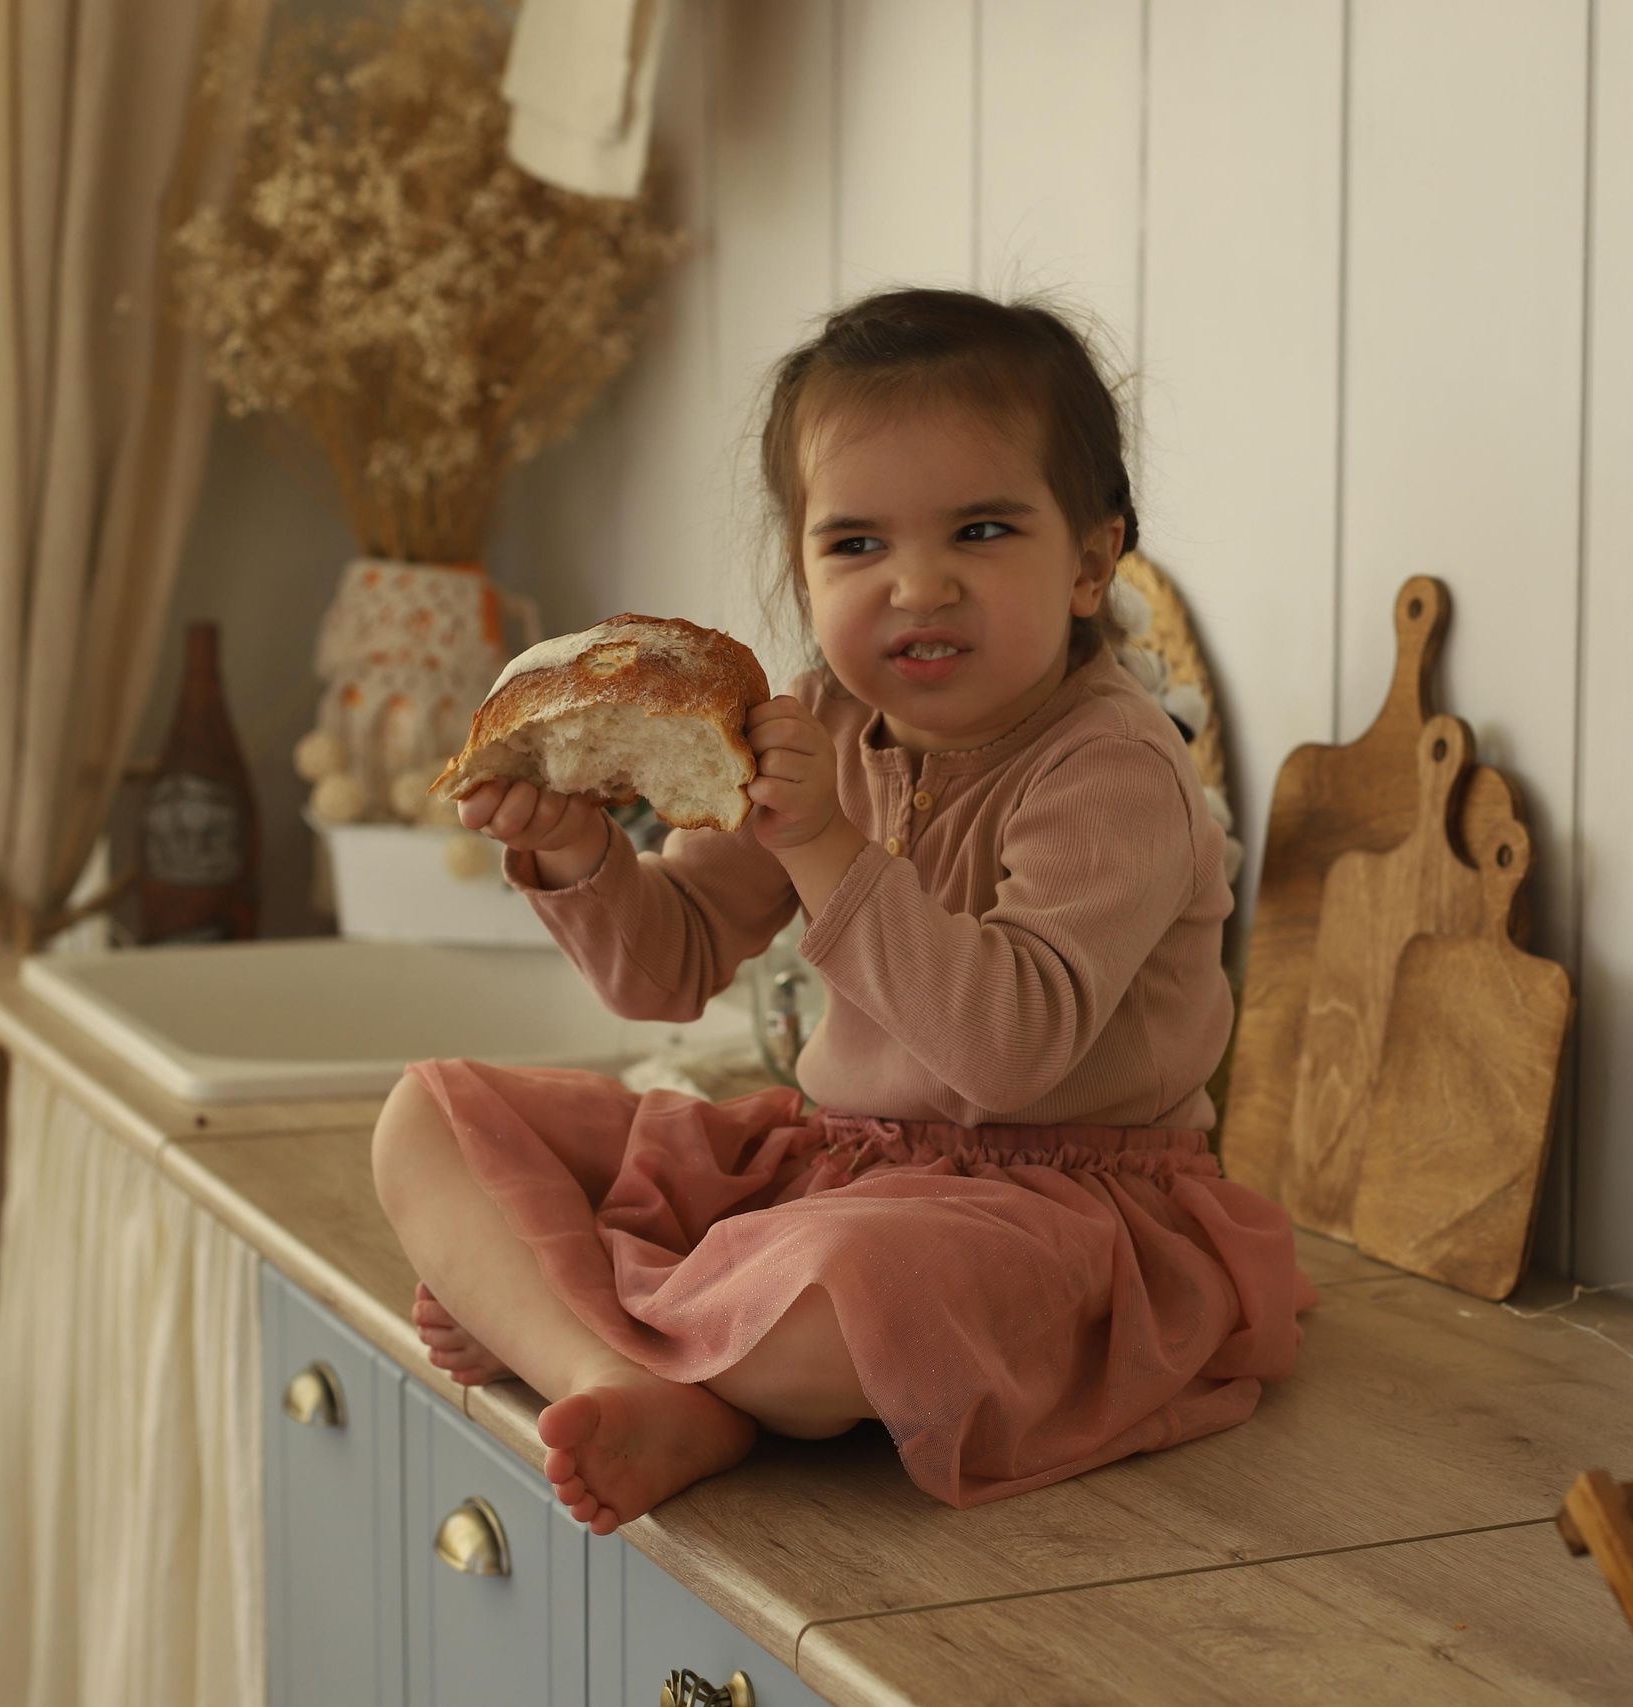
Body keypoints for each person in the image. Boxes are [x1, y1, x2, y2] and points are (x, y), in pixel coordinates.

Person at [371, 288, 1317, 1531]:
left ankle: (562, 1319)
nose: (917, 586)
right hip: (842, 1164)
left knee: (840, 1289)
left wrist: (822, 841)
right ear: (801, 566)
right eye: (857, 545)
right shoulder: (820, 720)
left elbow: (1006, 1053)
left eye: (980, 531)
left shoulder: (1115, 772)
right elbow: (670, 971)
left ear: (1091, 562)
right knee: (429, 1119)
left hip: (1057, 1209)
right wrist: (580, 857)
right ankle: (625, 1373)